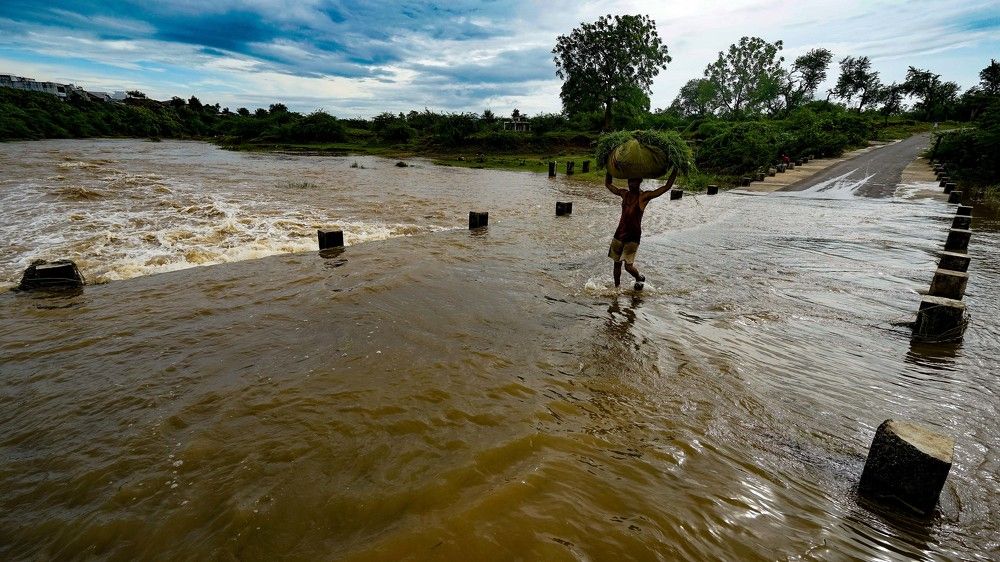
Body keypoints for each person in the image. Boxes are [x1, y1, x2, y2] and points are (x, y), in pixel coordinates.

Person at [606, 169, 678, 289]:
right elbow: (608, 185)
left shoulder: (644, 197)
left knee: (628, 267)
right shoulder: (624, 194)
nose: (630, 184)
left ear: (639, 182)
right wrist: (608, 169)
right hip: (619, 233)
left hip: (633, 236)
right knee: (616, 264)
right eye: (629, 182)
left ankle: (639, 278)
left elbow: (666, 187)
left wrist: (675, 170)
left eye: (633, 182)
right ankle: (616, 289)